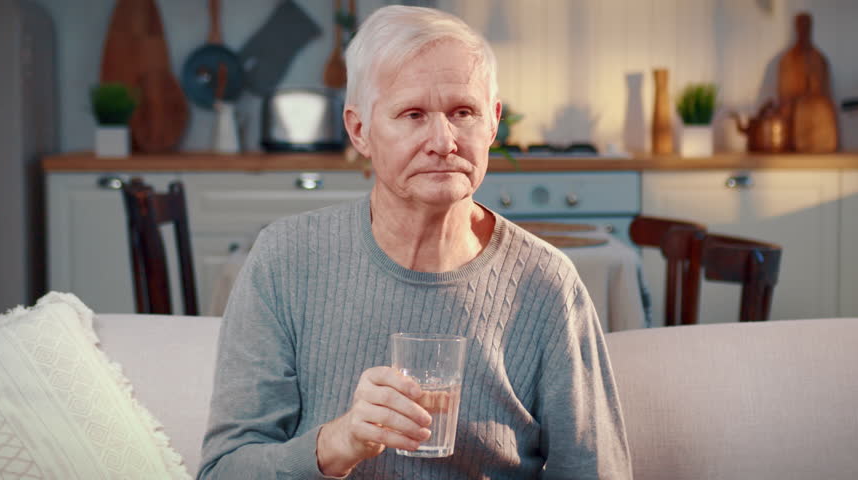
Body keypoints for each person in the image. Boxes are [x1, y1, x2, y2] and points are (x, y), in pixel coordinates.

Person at [198, 5, 631, 479]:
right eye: (413, 114)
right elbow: (223, 471)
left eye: (463, 112)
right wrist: (338, 442)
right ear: (359, 130)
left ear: (493, 123)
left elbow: (596, 471)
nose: (443, 141)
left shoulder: (548, 284)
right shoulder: (285, 259)